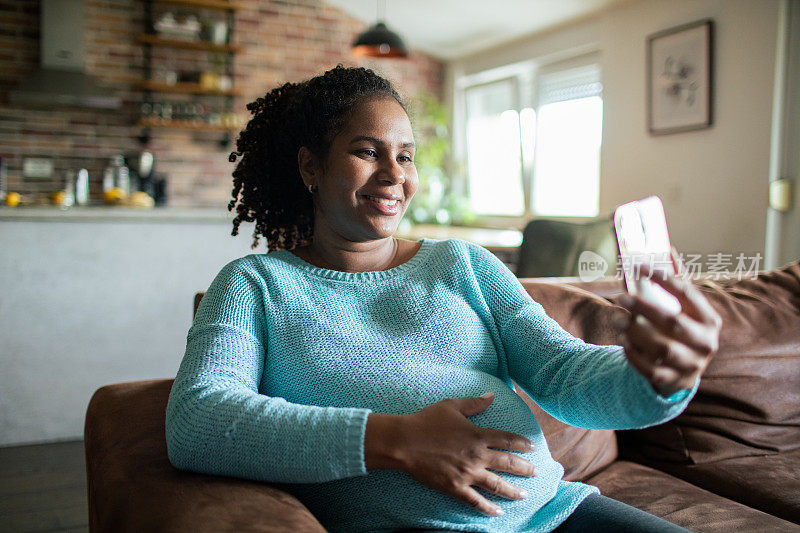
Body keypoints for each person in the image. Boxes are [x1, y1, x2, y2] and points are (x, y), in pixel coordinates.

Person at [165, 66, 722, 533]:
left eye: (405, 156)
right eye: (367, 152)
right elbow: (198, 422)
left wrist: (655, 374)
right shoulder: (252, 286)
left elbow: (563, 370)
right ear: (311, 166)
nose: (393, 175)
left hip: (556, 513)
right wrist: (395, 441)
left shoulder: (464, 265)